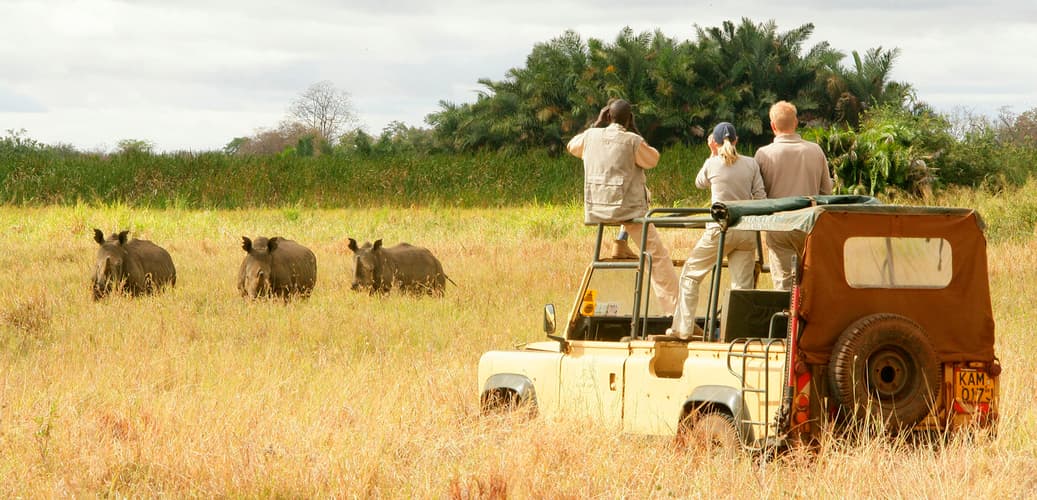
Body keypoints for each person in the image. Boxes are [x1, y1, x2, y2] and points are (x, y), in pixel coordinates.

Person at [566, 99, 679, 314]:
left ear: (607, 116)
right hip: (628, 212)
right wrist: (634, 131)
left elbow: (572, 146)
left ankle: (621, 242)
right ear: (628, 119)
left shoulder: (590, 137)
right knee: (658, 257)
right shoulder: (632, 140)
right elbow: (652, 159)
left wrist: (596, 124)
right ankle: (674, 312)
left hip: (597, 208)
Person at [669, 122, 766, 340]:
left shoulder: (712, 163)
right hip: (746, 230)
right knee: (742, 286)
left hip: (720, 229)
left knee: (691, 274)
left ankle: (683, 329)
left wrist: (712, 154)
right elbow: (760, 196)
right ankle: (738, 335)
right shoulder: (751, 164)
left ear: (714, 141)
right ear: (736, 140)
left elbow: (699, 183)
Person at [754, 101, 834, 290]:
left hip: (779, 226)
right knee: (812, 283)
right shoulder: (815, 150)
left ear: (773, 125)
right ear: (796, 122)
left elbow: (758, 195)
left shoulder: (763, 154)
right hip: (810, 226)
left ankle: (788, 319)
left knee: (784, 284)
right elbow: (826, 192)